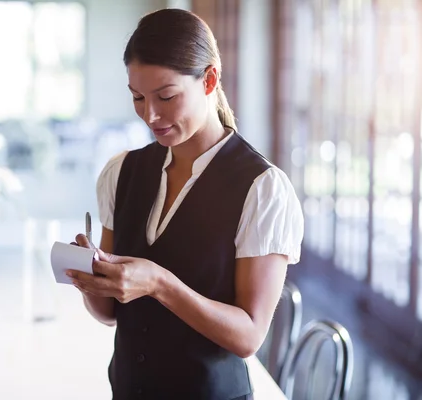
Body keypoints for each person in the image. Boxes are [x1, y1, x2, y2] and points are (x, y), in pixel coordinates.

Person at [65, 8, 304, 400]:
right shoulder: (121, 172)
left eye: (167, 96)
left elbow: (249, 337)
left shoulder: (262, 189)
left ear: (209, 79)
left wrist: (159, 283)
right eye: (138, 98)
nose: (150, 115)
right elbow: (110, 314)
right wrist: (92, 280)